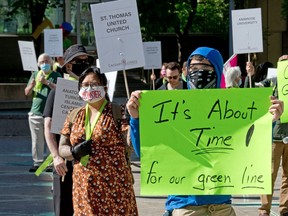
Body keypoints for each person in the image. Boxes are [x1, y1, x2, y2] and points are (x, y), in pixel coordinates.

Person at [126, 47, 284, 216]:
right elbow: (146, 152)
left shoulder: (231, 111)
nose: (199, 72)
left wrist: (269, 122)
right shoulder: (172, 110)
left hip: (222, 208)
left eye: (205, 68)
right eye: (193, 68)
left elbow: (251, 150)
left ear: (217, 70)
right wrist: (135, 119)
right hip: (186, 207)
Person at [58, 67, 138, 215]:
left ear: (105, 87)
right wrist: (73, 152)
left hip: (115, 188)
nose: (89, 88)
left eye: (94, 84)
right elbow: (62, 147)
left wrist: (134, 119)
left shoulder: (117, 112)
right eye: (85, 85)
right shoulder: (74, 115)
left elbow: (130, 142)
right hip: (83, 188)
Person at [43, 44, 93, 216]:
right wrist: (56, 157)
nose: (84, 64)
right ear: (69, 65)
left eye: (87, 61)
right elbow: (48, 127)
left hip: (89, 163)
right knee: (64, 207)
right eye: (80, 61)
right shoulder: (57, 93)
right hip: (63, 164)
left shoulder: (95, 94)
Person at [258, 55, 288, 216]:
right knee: (269, 173)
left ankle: (284, 208)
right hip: (275, 135)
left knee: (287, 176)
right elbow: (257, 90)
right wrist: (249, 74)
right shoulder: (272, 81)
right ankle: (264, 209)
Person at [24, 53, 62, 172]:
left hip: (51, 113)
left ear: (51, 63)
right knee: (36, 139)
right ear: (38, 64)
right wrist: (31, 85)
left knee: (51, 139)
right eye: (41, 62)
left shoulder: (56, 75)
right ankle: (37, 162)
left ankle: (50, 163)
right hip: (35, 113)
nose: (44, 64)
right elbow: (27, 93)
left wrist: (47, 82)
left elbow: (61, 89)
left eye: (46, 61)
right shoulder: (35, 75)